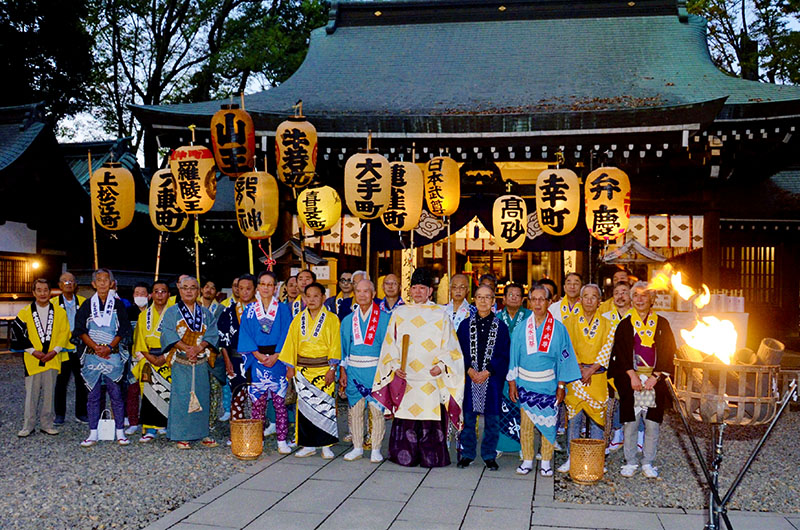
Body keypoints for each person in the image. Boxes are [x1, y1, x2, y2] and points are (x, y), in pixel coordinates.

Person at [372, 267, 465, 468]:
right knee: (406, 416)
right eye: (414, 287)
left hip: (430, 378)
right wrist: (395, 366)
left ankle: (431, 457)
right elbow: (390, 344)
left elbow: (451, 348)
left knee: (430, 417)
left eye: (422, 288)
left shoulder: (440, 315)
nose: (418, 292)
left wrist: (441, 366)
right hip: (407, 376)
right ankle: (404, 456)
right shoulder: (400, 313)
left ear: (430, 291)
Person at [508, 284, 581, 477]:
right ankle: (528, 459)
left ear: (550, 302)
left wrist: (561, 385)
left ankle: (546, 461)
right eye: (534, 299)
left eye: (542, 299)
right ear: (529, 302)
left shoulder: (559, 329)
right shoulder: (522, 328)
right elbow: (513, 356)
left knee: (549, 425)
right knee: (526, 425)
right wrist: (512, 382)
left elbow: (564, 358)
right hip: (525, 383)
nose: (538, 303)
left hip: (548, 384)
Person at [608, 281, 676, 479]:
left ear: (652, 299)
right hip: (633, 379)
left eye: (644, 295)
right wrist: (631, 375)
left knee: (652, 423)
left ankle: (648, 461)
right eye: (635, 295)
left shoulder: (662, 323)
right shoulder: (625, 323)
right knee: (630, 422)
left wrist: (655, 377)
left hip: (653, 380)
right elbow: (619, 353)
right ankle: (630, 461)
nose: (639, 299)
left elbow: (668, 351)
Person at [279, 281, 341, 459]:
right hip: (303, 370)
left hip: (323, 370)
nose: (312, 299)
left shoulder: (331, 319)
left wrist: (332, 368)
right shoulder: (298, 319)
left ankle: (326, 445)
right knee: (305, 409)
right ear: (304, 298)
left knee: (325, 408)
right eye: (309, 296)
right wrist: (290, 367)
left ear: (323, 298)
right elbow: (290, 343)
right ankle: (308, 445)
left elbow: (335, 345)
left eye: (316, 296)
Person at [75, 269, 133, 447]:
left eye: (105, 280)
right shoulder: (86, 305)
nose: (101, 283)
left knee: (116, 394)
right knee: (93, 395)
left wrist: (109, 347)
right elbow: (79, 330)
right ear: (93, 284)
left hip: (112, 355)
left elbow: (124, 329)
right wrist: (95, 347)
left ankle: (120, 432)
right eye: (98, 280)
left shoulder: (119, 304)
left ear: (112, 283)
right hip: (93, 356)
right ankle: (93, 432)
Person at [160, 276, 220, 449]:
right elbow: (168, 333)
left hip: (200, 361)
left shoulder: (206, 313)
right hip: (181, 361)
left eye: (193, 288)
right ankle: (181, 434)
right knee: (181, 397)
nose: (189, 291)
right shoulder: (172, 312)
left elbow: (212, 334)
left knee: (202, 396)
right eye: (185, 287)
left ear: (198, 291)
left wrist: (198, 348)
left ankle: (203, 432)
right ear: (179, 289)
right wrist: (188, 348)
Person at [238, 271, 294, 454]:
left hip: (278, 359)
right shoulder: (250, 310)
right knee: (258, 403)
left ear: (276, 287)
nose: (266, 288)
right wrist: (257, 355)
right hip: (257, 359)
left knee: (279, 403)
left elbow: (287, 333)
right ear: (258, 287)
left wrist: (277, 355)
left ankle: (281, 440)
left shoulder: (283, 309)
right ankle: (257, 439)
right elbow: (245, 334)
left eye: (270, 284)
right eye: (263, 284)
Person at [559, 284, 613, 473]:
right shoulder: (569, 321)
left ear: (600, 301)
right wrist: (580, 368)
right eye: (586, 296)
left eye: (594, 297)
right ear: (580, 300)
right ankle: (571, 458)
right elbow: (567, 347)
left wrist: (590, 370)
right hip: (576, 376)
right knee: (573, 418)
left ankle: (597, 460)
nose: (590, 300)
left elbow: (607, 349)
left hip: (597, 377)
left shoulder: (608, 323)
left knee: (598, 420)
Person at [456, 285, 510, 471]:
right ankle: (468, 454)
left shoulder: (501, 327)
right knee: (469, 419)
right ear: (474, 300)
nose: (483, 301)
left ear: (494, 301)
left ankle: (489, 455)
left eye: (488, 297)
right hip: (470, 378)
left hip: (492, 379)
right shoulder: (464, 326)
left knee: (492, 420)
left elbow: (504, 354)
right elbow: (458, 352)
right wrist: (469, 370)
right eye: (479, 297)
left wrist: (488, 371)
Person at [340, 279, 391, 463]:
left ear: (373, 293)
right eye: (358, 291)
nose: (362, 295)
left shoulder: (385, 319)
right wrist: (343, 372)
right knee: (355, 411)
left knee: (376, 411)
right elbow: (343, 350)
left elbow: (389, 349)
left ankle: (376, 448)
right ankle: (357, 447)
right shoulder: (347, 320)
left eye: (366, 291)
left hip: (375, 370)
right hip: (354, 370)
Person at [12, 279, 71, 437]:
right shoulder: (24, 312)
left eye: (45, 290)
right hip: (32, 359)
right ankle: (27, 425)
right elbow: (18, 334)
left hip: (52, 357)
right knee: (31, 394)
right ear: (34, 293)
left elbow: (64, 333)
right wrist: (33, 351)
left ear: (50, 292)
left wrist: (55, 351)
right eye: (39, 290)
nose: (43, 293)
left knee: (49, 393)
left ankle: (47, 424)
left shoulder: (59, 312)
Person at [131, 280, 171, 442]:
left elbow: (177, 338)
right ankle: (149, 429)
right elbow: (139, 340)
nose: (160, 294)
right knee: (149, 393)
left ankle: (165, 425)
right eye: (156, 291)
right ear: (151, 295)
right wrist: (151, 358)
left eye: (163, 291)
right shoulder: (143, 316)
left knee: (168, 392)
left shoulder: (173, 314)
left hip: (167, 357)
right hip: (148, 357)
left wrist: (164, 357)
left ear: (169, 294)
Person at [495, 282, 531, 455]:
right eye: (511, 295)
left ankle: (524, 446)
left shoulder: (530, 316)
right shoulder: (497, 317)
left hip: (524, 370)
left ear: (523, 299)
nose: (514, 298)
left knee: (523, 408)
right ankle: (501, 445)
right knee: (502, 407)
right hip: (502, 370)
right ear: (504, 298)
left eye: (518, 295)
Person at [52, 272, 88, 425]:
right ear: (60, 285)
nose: (69, 284)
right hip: (62, 349)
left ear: (76, 285)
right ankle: (59, 414)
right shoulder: (53, 303)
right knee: (61, 382)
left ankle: (81, 413)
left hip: (80, 347)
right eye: (65, 281)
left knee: (82, 382)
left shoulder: (83, 301)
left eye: (71, 281)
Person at [602, 281, 633, 451]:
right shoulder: (606, 317)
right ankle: (617, 432)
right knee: (612, 400)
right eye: (617, 292)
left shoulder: (638, 317)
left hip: (630, 365)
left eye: (625, 292)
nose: (620, 296)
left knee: (633, 400)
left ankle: (636, 435)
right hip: (611, 364)